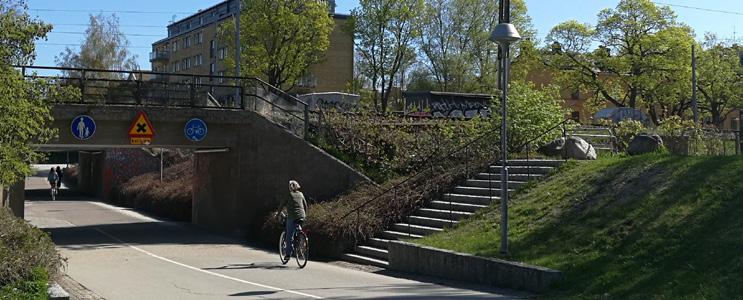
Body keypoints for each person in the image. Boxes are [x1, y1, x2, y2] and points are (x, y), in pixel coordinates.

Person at [277, 180, 308, 261]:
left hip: (292, 217)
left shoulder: (288, 194)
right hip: (302, 216)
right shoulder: (301, 194)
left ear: (290, 187)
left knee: (289, 235)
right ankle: (301, 241)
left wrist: (277, 214)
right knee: (299, 229)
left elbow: (281, 205)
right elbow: (305, 205)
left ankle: (288, 254)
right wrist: (305, 215)